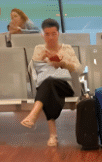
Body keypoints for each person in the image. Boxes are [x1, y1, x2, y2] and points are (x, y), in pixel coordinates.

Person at [20, 18, 83, 147]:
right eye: (47, 34)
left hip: (65, 85)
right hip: (47, 85)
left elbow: (79, 69)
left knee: (47, 85)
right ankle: (51, 135)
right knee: (48, 85)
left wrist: (63, 64)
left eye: (53, 34)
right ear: (43, 35)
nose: (50, 37)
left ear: (58, 34)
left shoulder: (66, 48)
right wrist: (40, 59)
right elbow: (30, 70)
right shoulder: (39, 49)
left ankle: (34, 115)